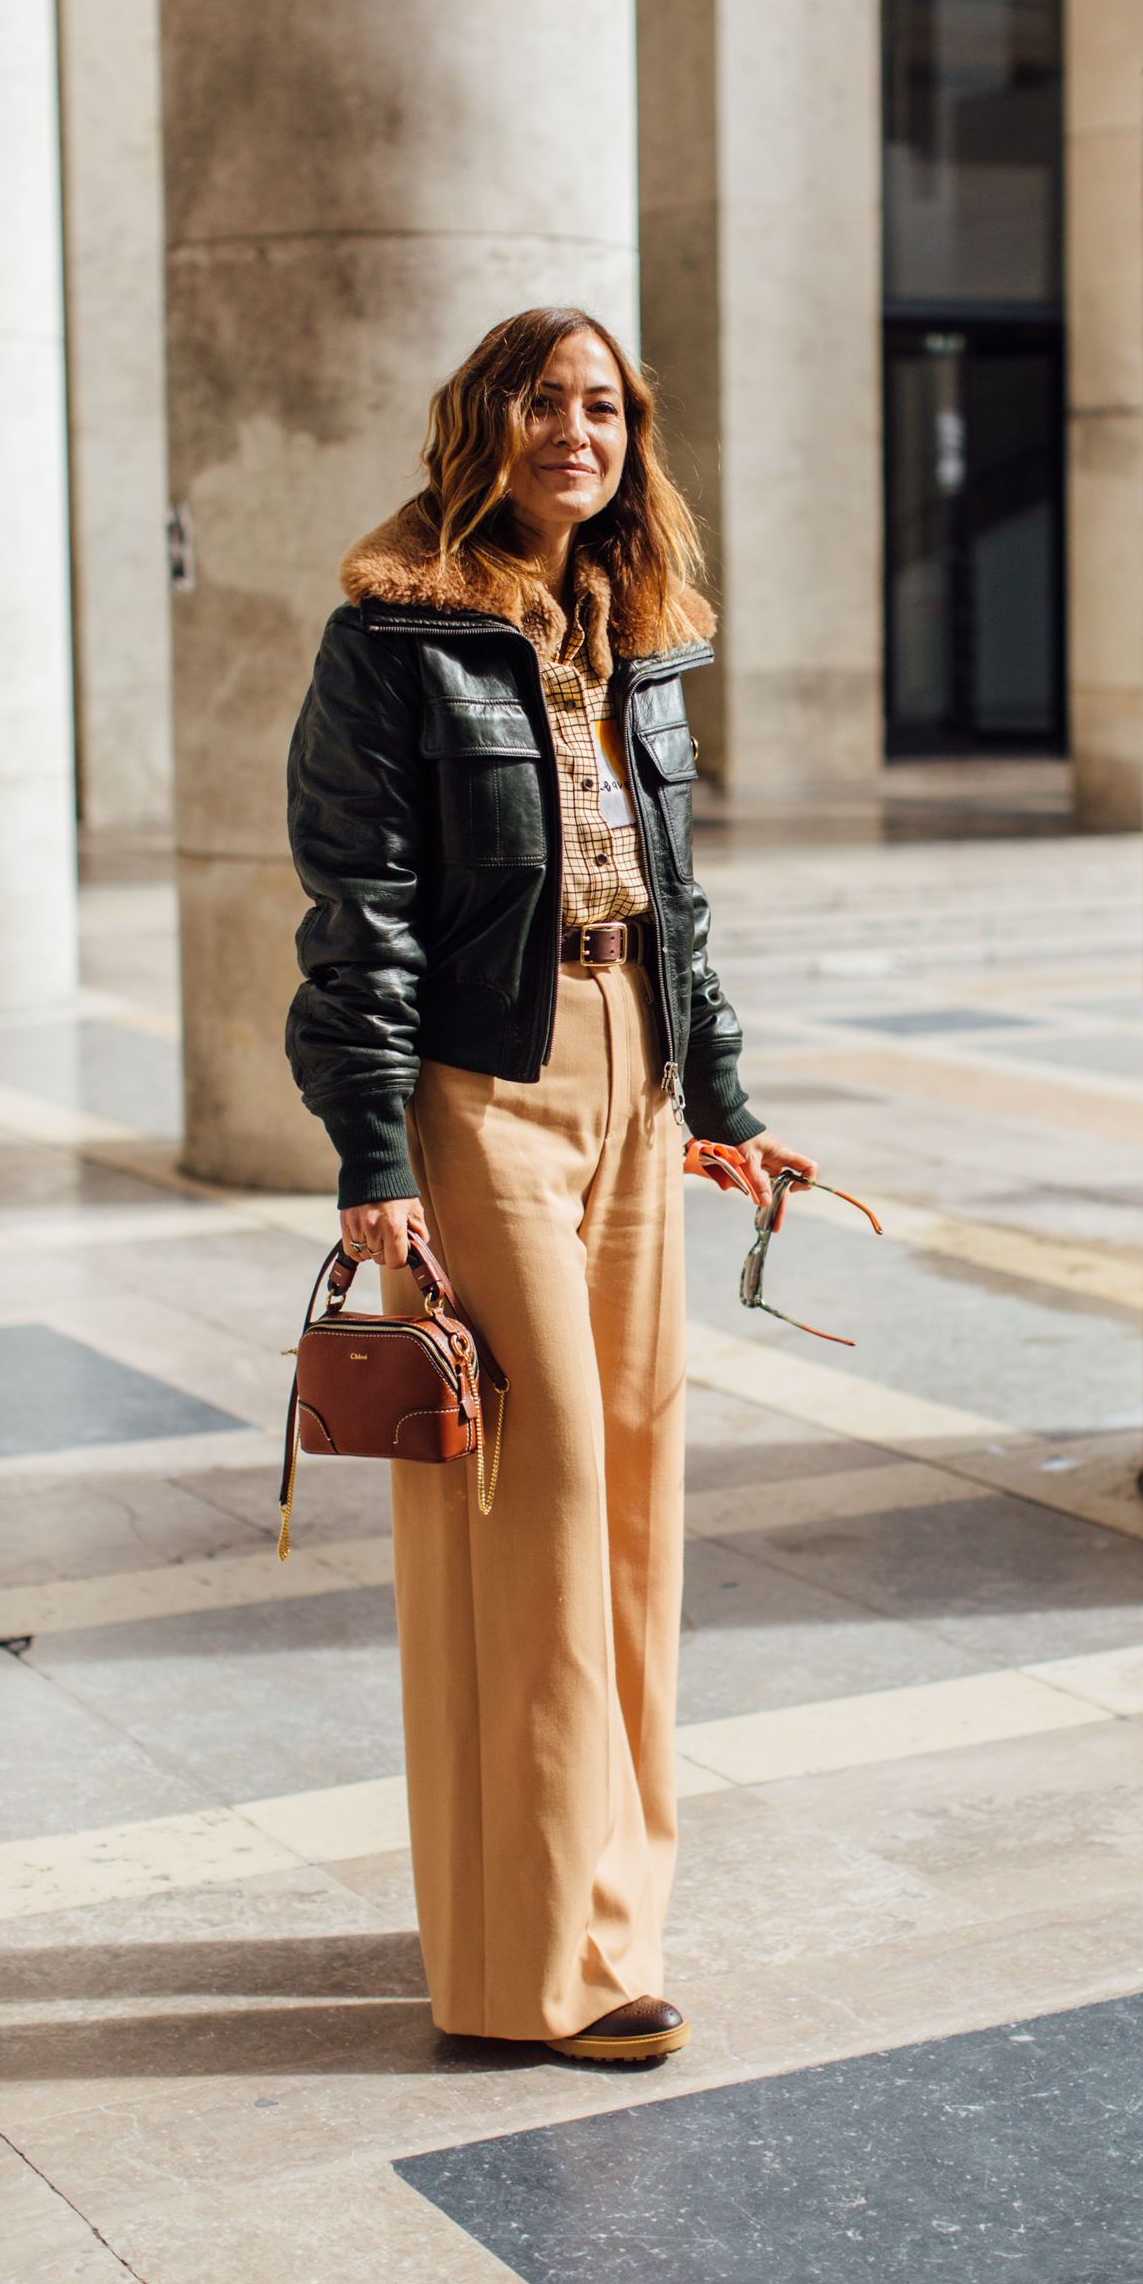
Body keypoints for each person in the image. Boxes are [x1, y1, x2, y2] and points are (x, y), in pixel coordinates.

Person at [284, 306, 811, 2064]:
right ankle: (536, 1974)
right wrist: (373, 1153)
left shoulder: (639, 634)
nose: (574, 429)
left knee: (640, 1509)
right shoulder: (393, 636)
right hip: (486, 1094)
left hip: (635, 1078)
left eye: (602, 406)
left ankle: (605, 1904)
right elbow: (353, 904)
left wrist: (719, 1096)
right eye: (542, 399)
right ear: (482, 424)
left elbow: (681, 898)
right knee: (538, 1503)